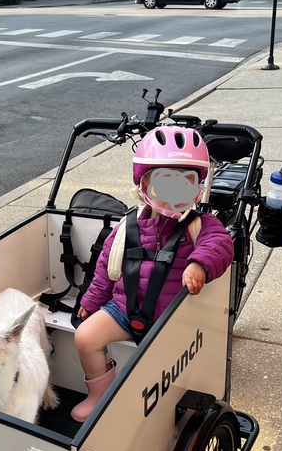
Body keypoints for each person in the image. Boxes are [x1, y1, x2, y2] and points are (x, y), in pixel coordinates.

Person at [71, 127, 235, 421]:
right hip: (124, 308)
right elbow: (106, 268)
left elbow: (220, 244)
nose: (175, 193)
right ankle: (99, 396)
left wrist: (198, 264)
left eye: (186, 183)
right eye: (165, 182)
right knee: (85, 337)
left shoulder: (201, 224)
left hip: (172, 318)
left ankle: (155, 408)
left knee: (159, 365)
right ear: (144, 184)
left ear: (198, 188)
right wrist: (92, 301)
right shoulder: (127, 226)